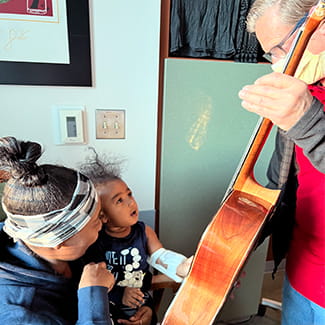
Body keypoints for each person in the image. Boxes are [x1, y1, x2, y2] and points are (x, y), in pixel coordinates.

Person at [238, 0, 325, 324]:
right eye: (270, 55)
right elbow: (278, 187)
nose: (276, 65)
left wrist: (308, 121)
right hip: (300, 276)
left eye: (278, 49)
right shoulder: (304, 97)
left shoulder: (303, 110)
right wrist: (231, 254)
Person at [0, 136, 115, 324]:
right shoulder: (19, 314)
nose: (103, 222)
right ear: (60, 241)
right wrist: (94, 296)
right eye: (95, 221)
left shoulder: (75, 253)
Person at [80, 152, 192, 325]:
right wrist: (121, 293)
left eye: (129, 194)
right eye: (119, 201)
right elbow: (94, 283)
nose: (131, 202)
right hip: (111, 305)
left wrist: (180, 266)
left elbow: (160, 256)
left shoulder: (144, 231)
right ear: (103, 216)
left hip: (141, 299)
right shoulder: (97, 240)